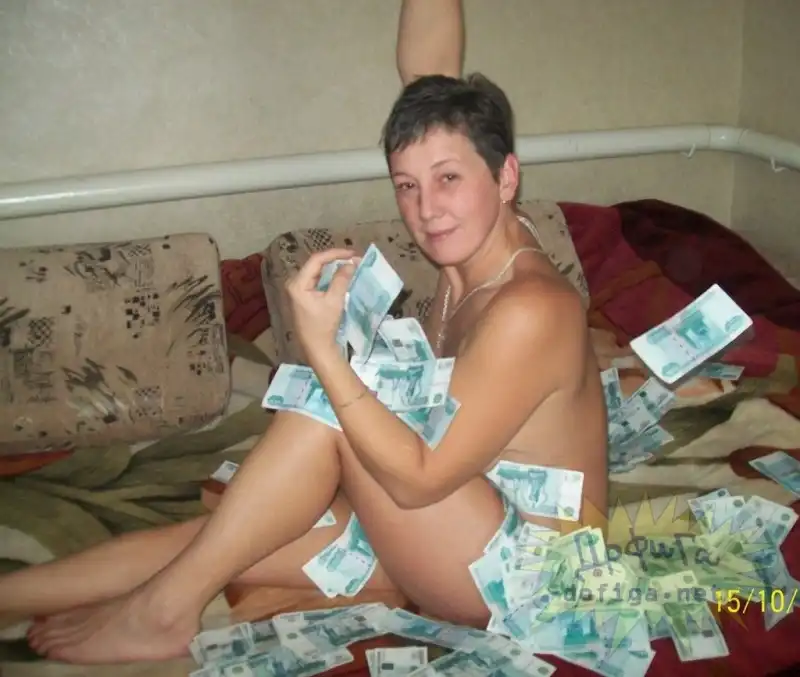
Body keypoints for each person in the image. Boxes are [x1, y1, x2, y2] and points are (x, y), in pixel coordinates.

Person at [0, 0, 608, 664]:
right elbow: (428, 76)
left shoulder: (531, 307)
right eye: (406, 185)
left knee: (328, 409)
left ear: (506, 176)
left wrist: (322, 347)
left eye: (448, 179)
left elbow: (418, 480)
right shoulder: (472, 250)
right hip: (454, 525)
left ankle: (164, 613)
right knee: (225, 539)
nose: (427, 209)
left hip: (527, 579)